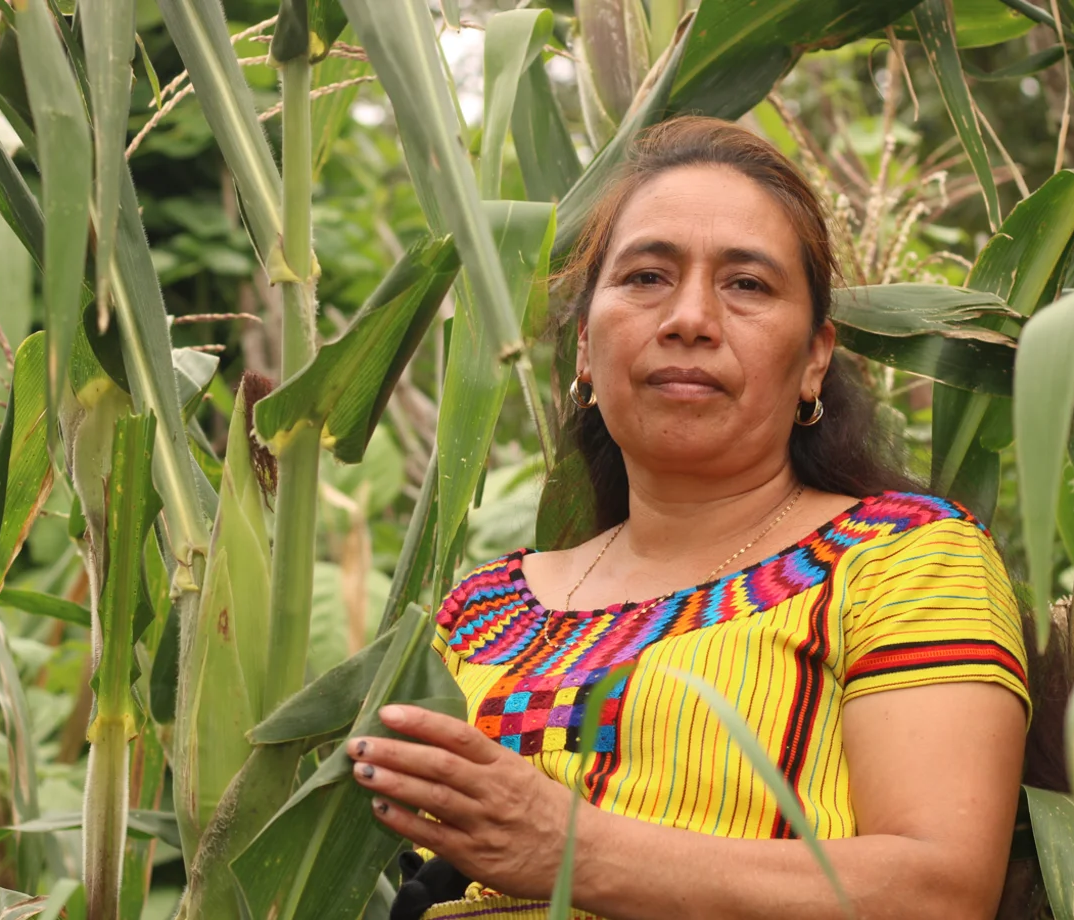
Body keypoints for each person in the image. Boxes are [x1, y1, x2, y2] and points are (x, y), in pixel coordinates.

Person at [346, 116, 1031, 920]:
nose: (689, 318)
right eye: (645, 278)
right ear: (582, 354)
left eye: (746, 284)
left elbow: (937, 893)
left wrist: (572, 849)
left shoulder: (901, 557)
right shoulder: (477, 615)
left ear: (814, 357)